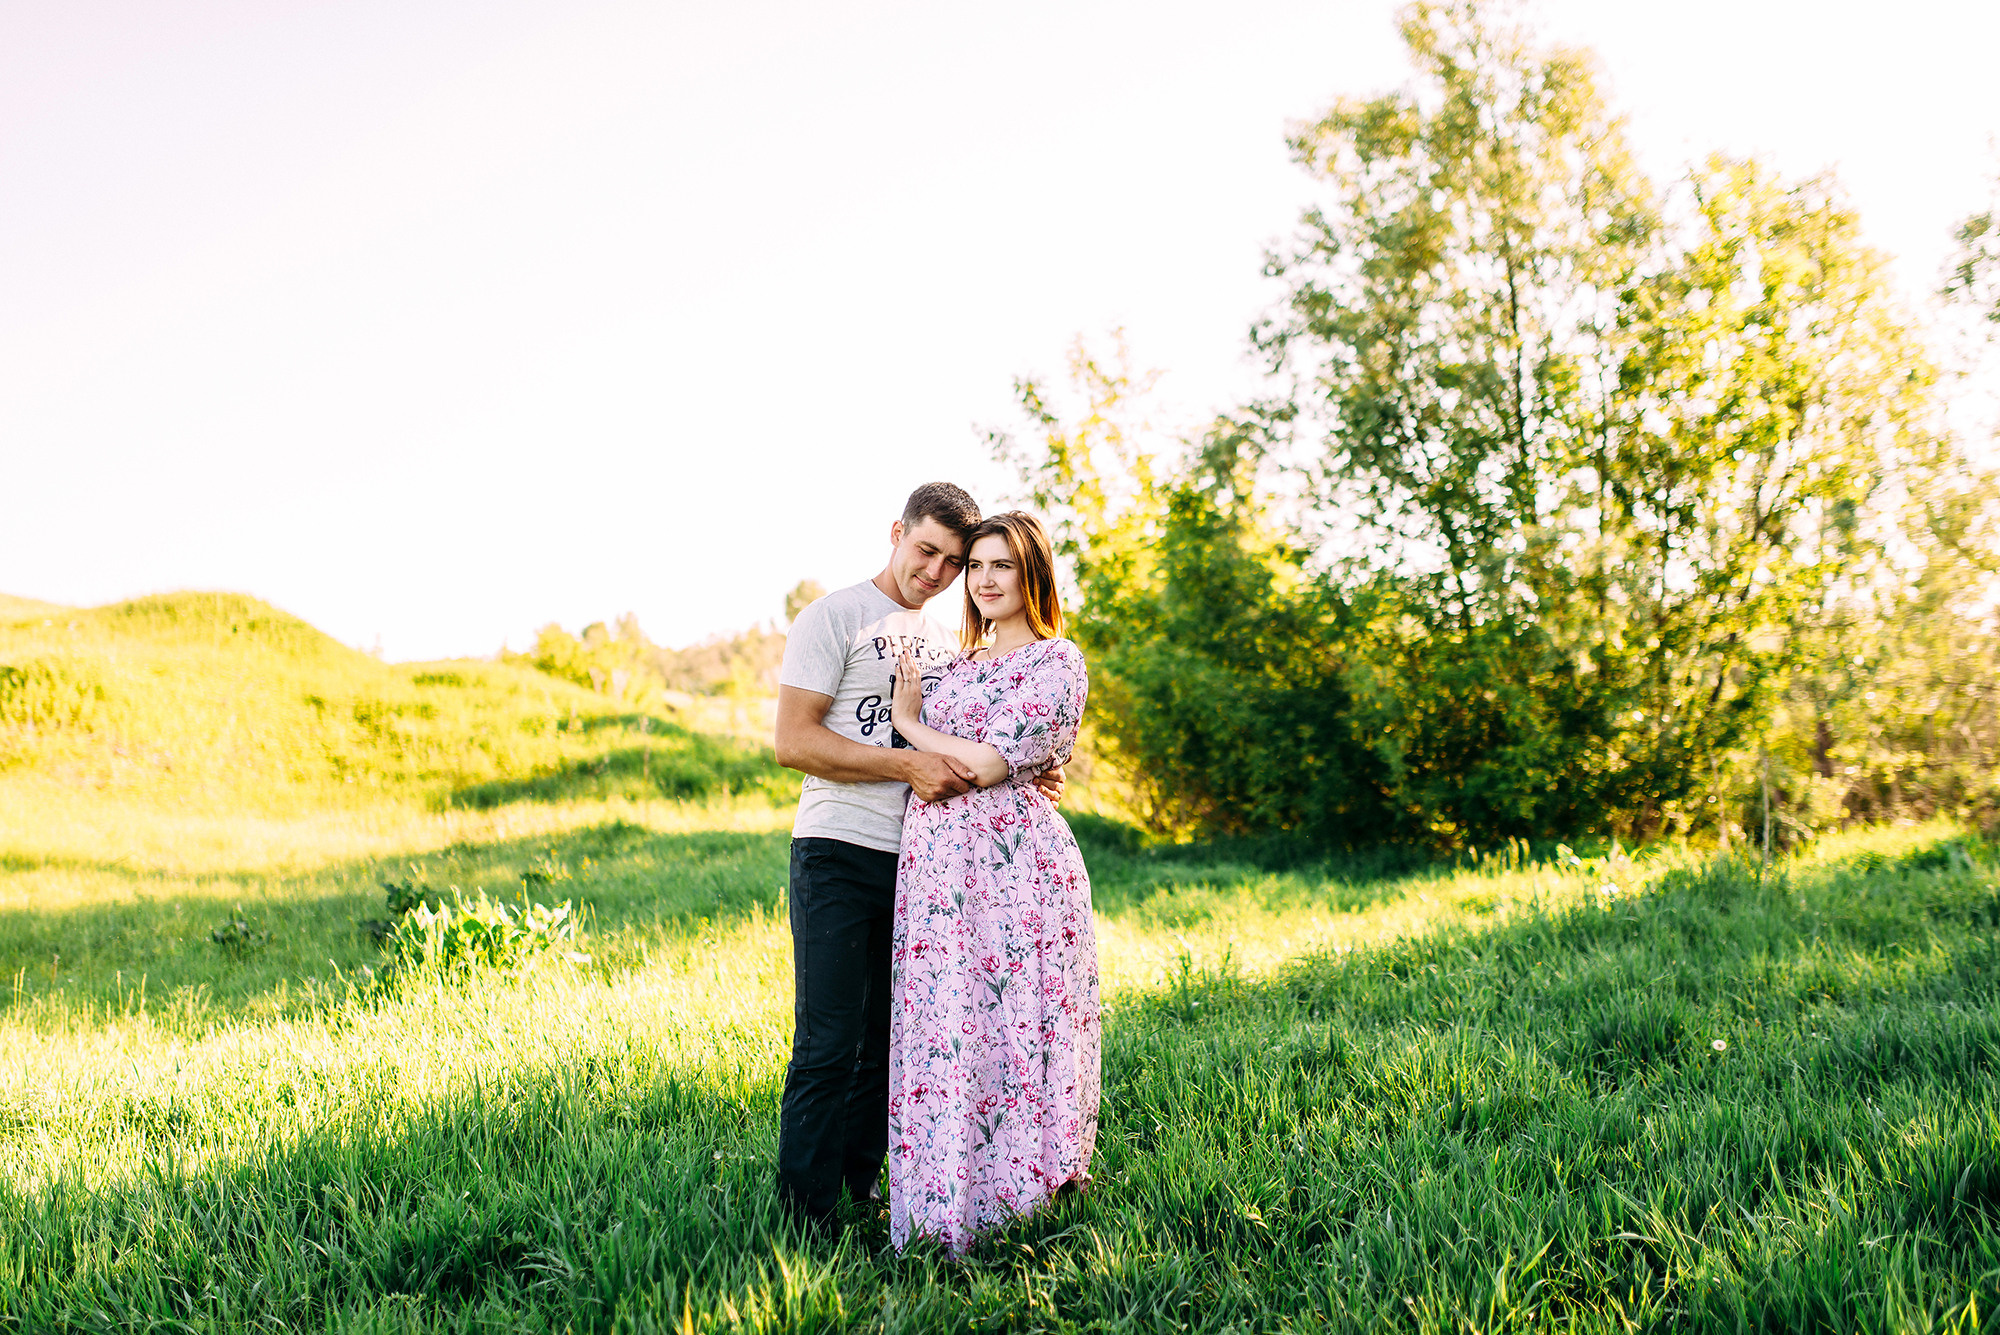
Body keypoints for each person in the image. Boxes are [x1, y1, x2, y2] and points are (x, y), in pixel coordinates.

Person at [771, 483, 1063, 1235]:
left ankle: (861, 1192)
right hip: (837, 849)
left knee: (890, 1043)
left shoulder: (948, 647)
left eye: (954, 561)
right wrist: (903, 762)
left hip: (923, 871)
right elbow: (794, 742)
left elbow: (990, 733)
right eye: (926, 550)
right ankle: (806, 1216)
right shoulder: (832, 617)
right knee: (828, 1042)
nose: (936, 572)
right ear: (896, 532)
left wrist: (1033, 768)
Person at [884, 510, 1100, 1253]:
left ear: (1031, 571)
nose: (984, 580)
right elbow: (965, 757)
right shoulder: (958, 663)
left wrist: (914, 728)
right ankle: (945, 1200)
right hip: (940, 873)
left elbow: (982, 765)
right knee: (949, 1025)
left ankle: (1024, 1200)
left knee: (1015, 1021)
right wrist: (935, 739)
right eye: (975, 566)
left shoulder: (1056, 660)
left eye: (1001, 565)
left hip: (1016, 873)